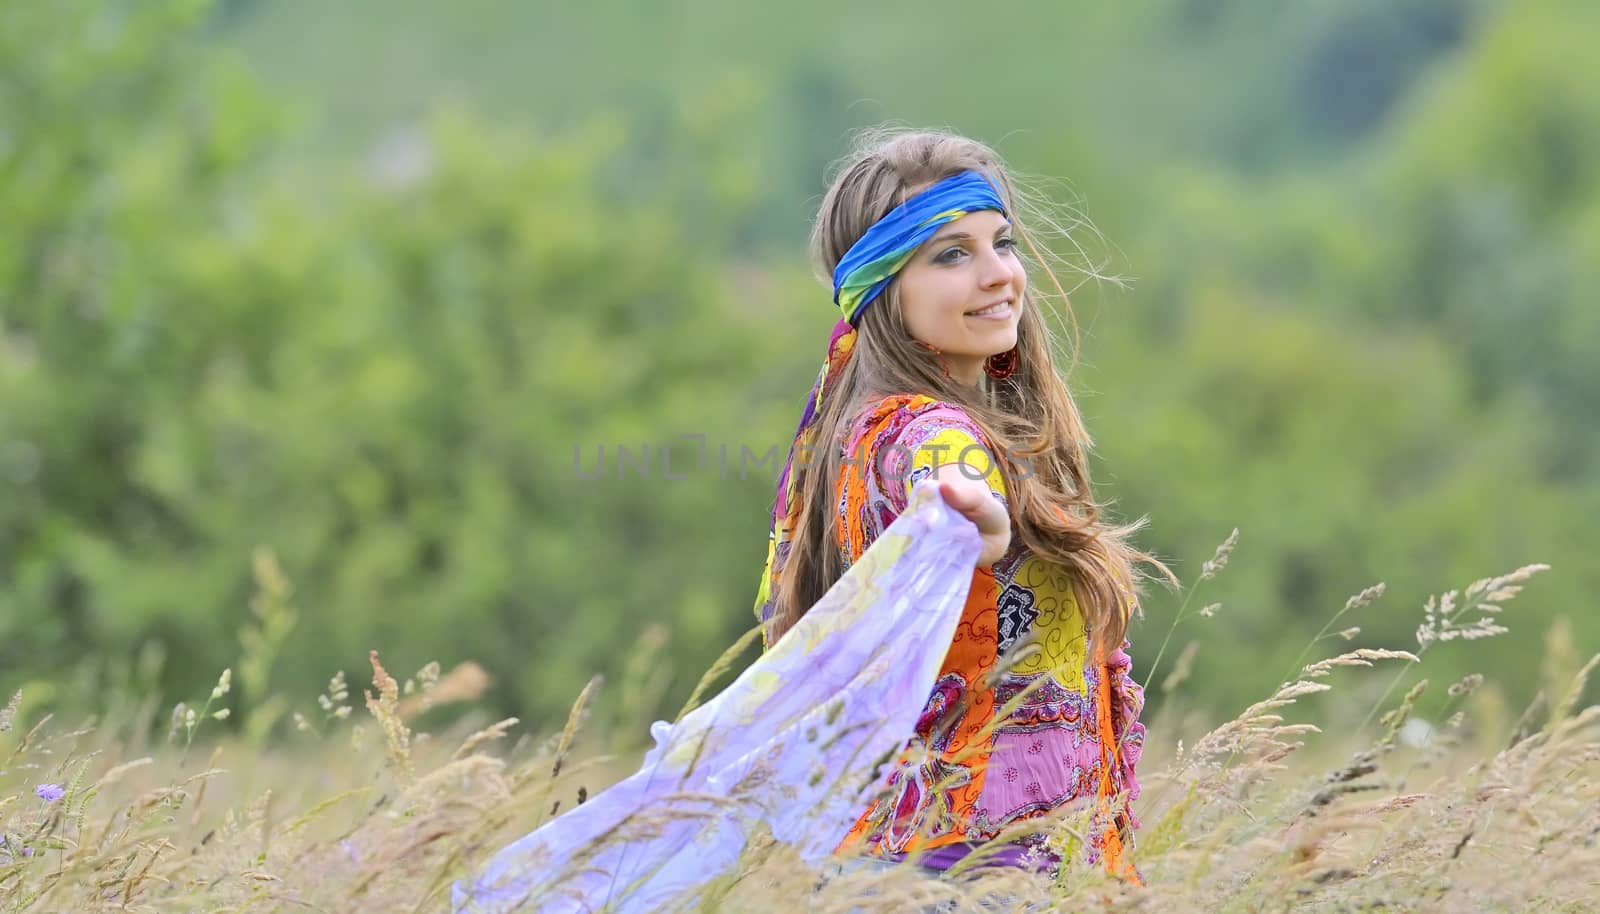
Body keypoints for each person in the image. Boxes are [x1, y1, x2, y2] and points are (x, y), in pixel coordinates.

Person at [753, 128, 1176, 886]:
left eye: (1001, 244)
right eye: (951, 254)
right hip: (962, 879)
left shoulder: (863, 429)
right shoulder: (925, 433)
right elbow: (944, 475)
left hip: (926, 871)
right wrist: (965, 512)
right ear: (885, 287)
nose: (998, 275)